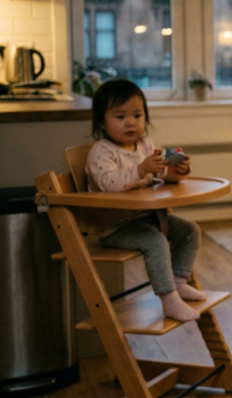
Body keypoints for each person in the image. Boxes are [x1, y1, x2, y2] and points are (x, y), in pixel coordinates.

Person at [86, 79, 204, 322]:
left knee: (190, 231)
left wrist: (177, 171)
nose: (130, 122)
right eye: (120, 116)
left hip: (148, 218)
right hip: (115, 226)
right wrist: (141, 170)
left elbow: (162, 177)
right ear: (101, 121)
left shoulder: (145, 146)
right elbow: (108, 184)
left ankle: (180, 282)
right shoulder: (102, 152)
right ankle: (169, 300)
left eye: (137, 115)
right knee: (156, 242)